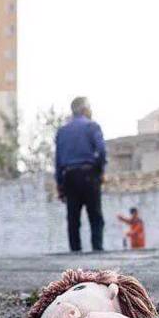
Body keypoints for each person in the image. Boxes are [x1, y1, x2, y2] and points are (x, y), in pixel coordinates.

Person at [55, 96, 107, 252]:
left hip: (69, 176)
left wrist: (59, 183)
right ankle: (97, 251)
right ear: (85, 109)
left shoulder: (62, 131)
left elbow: (57, 160)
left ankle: (75, 253)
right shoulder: (92, 126)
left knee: (73, 219)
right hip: (89, 174)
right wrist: (100, 170)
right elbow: (102, 150)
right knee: (95, 216)